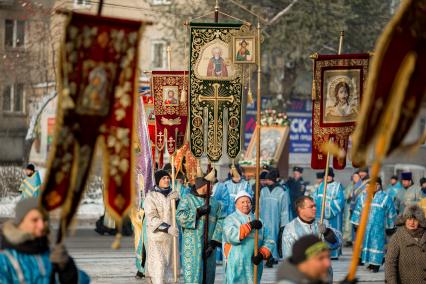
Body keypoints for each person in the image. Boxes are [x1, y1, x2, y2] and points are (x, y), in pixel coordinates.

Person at [0, 197, 90, 283]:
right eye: (34, 220)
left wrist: (67, 268)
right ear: (20, 222)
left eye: (44, 220)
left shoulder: (51, 255)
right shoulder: (5, 260)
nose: (41, 225)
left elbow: (84, 280)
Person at [176, 175, 224, 284]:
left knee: (208, 275)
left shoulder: (215, 203)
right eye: (210, 185)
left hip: (209, 247)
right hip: (192, 246)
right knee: (193, 275)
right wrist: (197, 213)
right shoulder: (187, 199)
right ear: (203, 186)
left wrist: (213, 243)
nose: (212, 187)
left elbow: (221, 221)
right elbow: (179, 216)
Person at [223, 191, 275, 284]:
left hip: (253, 263)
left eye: (248, 202)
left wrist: (262, 254)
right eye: (242, 202)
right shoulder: (230, 219)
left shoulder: (259, 221)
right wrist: (249, 226)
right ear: (236, 204)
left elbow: (269, 240)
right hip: (236, 263)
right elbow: (231, 236)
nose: (246, 204)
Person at [351, 178, 396, 272]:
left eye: (377, 184)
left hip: (378, 227)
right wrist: (356, 224)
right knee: (367, 244)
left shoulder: (385, 197)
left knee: (377, 245)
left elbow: (391, 212)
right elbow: (357, 211)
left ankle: (376, 265)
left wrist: (390, 226)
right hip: (365, 227)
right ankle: (371, 264)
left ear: (379, 185)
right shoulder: (363, 197)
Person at [144, 170, 180, 284]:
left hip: (171, 240)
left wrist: (178, 201)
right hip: (157, 238)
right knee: (158, 269)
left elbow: (178, 213)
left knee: (170, 271)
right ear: (158, 180)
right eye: (163, 178)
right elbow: (151, 218)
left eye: (168, 178)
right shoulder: (151, 197)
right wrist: (167, 228)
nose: (167, 180)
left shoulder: (173, 195)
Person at [385, 204, 426, 284]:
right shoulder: (397, 237)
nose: (412, 222)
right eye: (409, 219)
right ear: (404, 220)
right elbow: (390, 263)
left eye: (415, 220)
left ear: (420, 221)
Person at [312, 168, 345, 259]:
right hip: (320, 214)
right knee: (322, 232)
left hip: (333, 215)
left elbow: (341, 201)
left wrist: (327, 205)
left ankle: (334, 254)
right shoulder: (320, 186)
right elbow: (314, 197)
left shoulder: (337, 186)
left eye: (329, 176)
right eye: (326, 176)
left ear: (332, 176)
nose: (328, 178)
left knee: (333, 232)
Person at [259, 168, 290, 267]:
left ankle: (272, 257)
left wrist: (284, 224)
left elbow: (284, 209)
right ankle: (267, 256)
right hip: (264, 219)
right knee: (264, 238)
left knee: (273, 238)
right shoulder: (263, 191)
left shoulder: (282, 191)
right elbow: (259, 206)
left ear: (271, 179)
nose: (266, 181)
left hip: (275, 220)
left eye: (267, 179)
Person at [342, 171, 361, 247]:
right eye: (354, 177)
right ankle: (348, 239)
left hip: (357, 206)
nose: (354, 178)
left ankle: (356, 239)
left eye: (356, 177)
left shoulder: (361, 185)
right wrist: (348, 196)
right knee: (348, 223)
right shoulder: (350, 185)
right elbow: (345, 194)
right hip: (349, 206)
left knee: (356, 223)